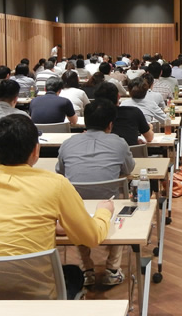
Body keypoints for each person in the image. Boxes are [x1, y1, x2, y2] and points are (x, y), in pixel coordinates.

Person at [0, 114, 113, 299]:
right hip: (32, 292)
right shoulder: (55, 183)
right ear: (36, 150)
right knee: (73, 274)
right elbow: (91, 237)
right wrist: (104, 213)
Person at [56, 98, 135, 286]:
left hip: (75, 204)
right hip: (109, 203)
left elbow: (61, 171)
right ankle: (113, 269)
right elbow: (128, 169)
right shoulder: (119, 143)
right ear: (110, 124)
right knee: (121, 204)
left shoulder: (68, 143)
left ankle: (86, 269)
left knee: (76, 212)